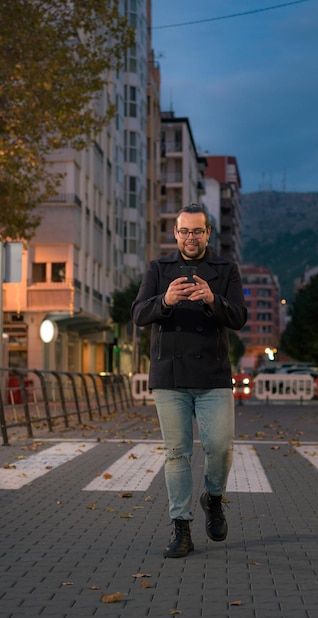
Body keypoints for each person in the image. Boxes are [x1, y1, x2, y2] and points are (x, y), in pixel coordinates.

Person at [131, 203, 247, 558]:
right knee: (177, 454)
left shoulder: (225, 269)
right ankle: (181, 528)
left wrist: (213, 300)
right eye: (184, 231)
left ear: (208, 233)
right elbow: (138, 314)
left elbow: (239, 317)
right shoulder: (158, 268)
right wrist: (164, 301)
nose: (191, 237)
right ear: (176, 234)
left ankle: (213, 499)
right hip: (170, 375)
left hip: (213, 374)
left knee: (221, 447)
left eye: (197, 231)